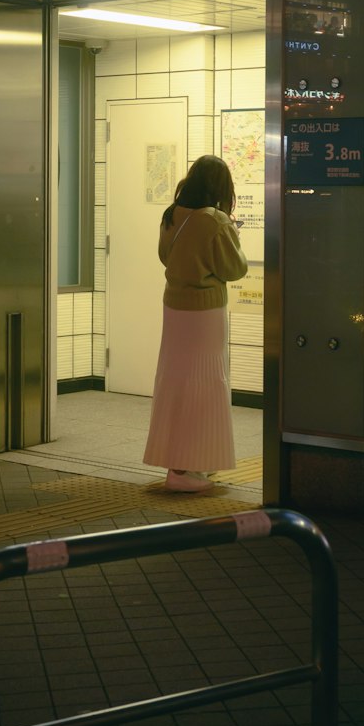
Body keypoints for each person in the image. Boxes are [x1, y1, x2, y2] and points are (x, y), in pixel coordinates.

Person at [143, 154, 248, 493]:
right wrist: (233, 233)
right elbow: (235, 269)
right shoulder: (215, 221)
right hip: (204, 314)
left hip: (173, 309)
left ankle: (188, 463)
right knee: (206, 383)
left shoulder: (172, 216)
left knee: (177, 382)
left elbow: (165, 257)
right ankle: (185, 469)